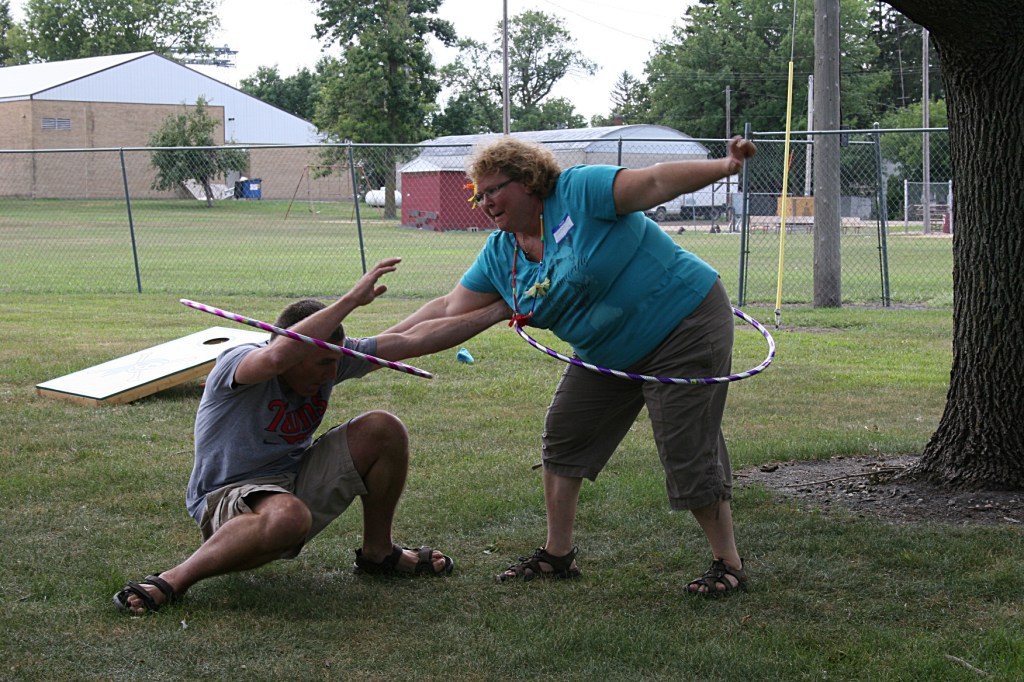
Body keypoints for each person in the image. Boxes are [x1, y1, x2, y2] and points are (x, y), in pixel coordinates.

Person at [384, 136, 757, 595]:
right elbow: (446, 308)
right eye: (477, 195)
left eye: (491, 191)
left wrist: (725, 166)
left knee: (686, 444)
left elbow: (657, 180)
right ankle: (557, 556)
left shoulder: (578, 192)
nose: (484, 203)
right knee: (565, 434)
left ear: (526, 181)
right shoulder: (503, 252)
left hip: (683, 323)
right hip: (605, 351)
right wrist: (371, 347)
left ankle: (728, 563)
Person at [114, 257, 510, 614]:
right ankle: (172, 580)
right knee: (288, 517)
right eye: (320, 363)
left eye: (333, 363)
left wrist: (500, 309)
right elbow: (276, 357)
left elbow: (412, 340)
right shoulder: (240, 364)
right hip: (227, 497)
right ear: (294, 351)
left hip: (292, 481)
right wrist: (351, 299)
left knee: (383, 429)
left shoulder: (330, 359)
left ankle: (378, 554)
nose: (329, 375)